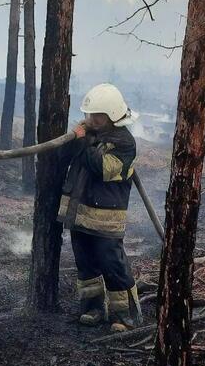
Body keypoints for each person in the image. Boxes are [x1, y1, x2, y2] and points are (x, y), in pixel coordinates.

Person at [58, 83, 142, 333]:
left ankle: (126, 315)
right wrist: (77, 140)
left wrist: (85, 144)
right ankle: (92, 308)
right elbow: (64, 157)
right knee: (86, 264)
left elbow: (104, 168)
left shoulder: (125, 143)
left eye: (97, 116)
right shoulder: (87, 135)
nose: (91, 119)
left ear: (113, 115)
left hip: (106, 217)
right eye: (89, 115)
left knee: (112, 263)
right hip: (80, 212)